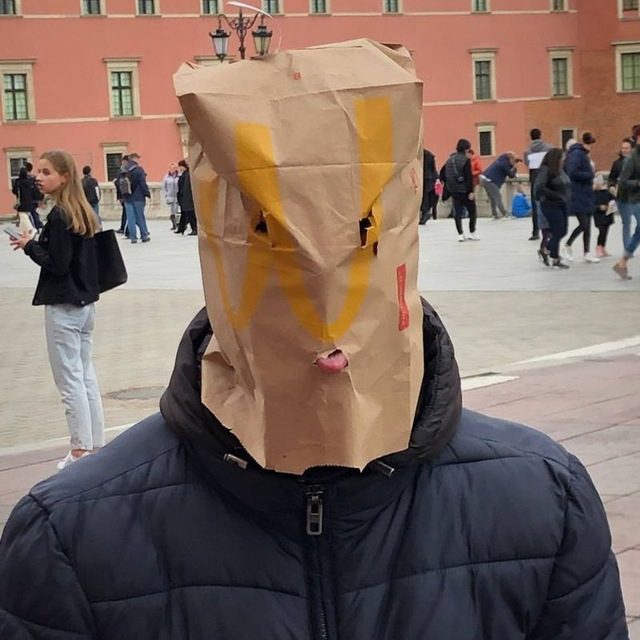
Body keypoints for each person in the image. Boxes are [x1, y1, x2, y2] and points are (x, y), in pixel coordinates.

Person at [0, 42, 628, 640]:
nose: (328, 333)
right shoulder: (68, 538)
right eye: (270, 237)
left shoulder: (546, 503)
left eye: (362, 239)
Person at [6, 149, 105, 470]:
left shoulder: (60, 216)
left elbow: (57, 264)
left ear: (64, 176)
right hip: (85, 304)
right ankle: (95, 445)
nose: (38, 177)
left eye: (46, 172)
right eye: (38, 171)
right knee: (85, 376)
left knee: (70, 381)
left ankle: (79, 450)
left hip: (64, 306)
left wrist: (30, 246)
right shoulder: (82, 212)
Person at [562, 132, 599, 263]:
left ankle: (587, 252)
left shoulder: (581, 154)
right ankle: (567, 245)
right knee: (584, 223)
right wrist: (590, 174)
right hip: (578, 193)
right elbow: (572, 172)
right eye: (590, 144)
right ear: (585, 143)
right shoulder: (577, 154)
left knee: (587, 224)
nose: (591, 147)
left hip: (585, 193)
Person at [535, 147, 571, 269]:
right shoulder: (545, 170)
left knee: (563, 230)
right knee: (558, 230)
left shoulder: (560, 170)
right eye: (562, 157)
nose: (564, 159)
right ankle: (554, 256)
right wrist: (556, 196)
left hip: (562, 204)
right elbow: (539, 188)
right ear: (556, 159)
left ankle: (547, 250)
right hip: (550, 204)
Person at [613, 123, 640, 280]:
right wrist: (637, 183)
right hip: (636, 199)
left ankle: (622, 262)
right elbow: (622, 181)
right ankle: (622, 262)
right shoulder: (631, 158)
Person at [443, 138, 478, 241]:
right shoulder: (465, 160)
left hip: (453, 190)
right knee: (472, 211)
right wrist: (471, 191)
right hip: (464, 190)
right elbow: (468, 176)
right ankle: (472, 232)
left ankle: (460, 234)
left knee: (457, 213)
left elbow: (443, 174)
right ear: (466, 149)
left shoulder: (449, 160)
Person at [524, 128, 552, 240]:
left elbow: (527, 164)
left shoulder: (527, 152)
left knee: (535, 206)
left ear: (531, 137)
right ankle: (549, 230)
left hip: (534, 179)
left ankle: (535, 232)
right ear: (540, 135)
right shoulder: (548, 148)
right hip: (546, 178)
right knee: (548, 204)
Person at [609, 137, 635, 249]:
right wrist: (611, 186)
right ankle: (627, 247)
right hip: (623, 197)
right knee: (626, 223)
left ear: (632, 149)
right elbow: (612, 177)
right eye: (623, 148)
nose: (624, 150)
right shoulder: (617, 163)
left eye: (627, 148)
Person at [120, 151, 151, 244]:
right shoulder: (139, 169)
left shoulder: (123, 169)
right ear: (135, 158)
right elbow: (142, 183)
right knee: (140, 216)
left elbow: (119, 183)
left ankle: (133, 237)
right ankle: (144, 235)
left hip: (127, 196)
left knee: (130, 218)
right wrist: (147, 194)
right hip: (138, 197)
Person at [479, 151, 520, 220]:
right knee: (497, 197)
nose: (514, 162)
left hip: (484, 179)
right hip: (490, 180)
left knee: (493, 198)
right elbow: (511, 175)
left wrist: (512, 166)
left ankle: (494, 214)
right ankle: (505, 214)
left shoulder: (502, 160)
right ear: (511, 159)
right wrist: (515, 168)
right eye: (514, 161)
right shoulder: (504, 163)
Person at [592, 174, 615, 258]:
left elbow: (613, 200)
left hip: (607, 214)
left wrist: (611, 205)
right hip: (599, 216)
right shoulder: (593, 194)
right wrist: (599, 207)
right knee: (601, 232)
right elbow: (591, 205)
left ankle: (603, 246)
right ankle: (598, 247)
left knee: (605, 232)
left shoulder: (606, 192)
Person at [11, 166, 37, 233]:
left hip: (21, 203)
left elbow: (14, 191)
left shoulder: (18, 182)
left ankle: (31, 230)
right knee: (26, 217)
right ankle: (23, 231)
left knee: (23, 217)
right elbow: (34, 192)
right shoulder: (30, 182)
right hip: (29, 202)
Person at [175, 159, 197, 235]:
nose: (180, 168)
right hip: (184, 198)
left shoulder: (188, 174)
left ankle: (194, 229)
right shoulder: (185, 174)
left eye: (181, 166)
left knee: (190, 215)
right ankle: (181, 228)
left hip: (187, 198)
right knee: (184, 214)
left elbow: (186, 187)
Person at [419, 149, 438, 224]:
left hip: (421, 176)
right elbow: (433, 168)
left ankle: (424, 213)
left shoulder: (416, 153)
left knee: (421, 196)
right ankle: (425, 212)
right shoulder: (429, 154)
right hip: (429, 177)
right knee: (426, 196)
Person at [114, 155, 130, 237]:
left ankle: (124, 228)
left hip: (124, 195)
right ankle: (124, 228)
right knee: (125, 213)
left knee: (126, 213)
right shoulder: (123, 171)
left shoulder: (123, 170)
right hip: (123, 195)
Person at [162, 162, 181, 230]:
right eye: (171, 168)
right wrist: (166, 195)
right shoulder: (166, 177)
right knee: (171, 211)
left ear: (176, 168)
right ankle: (174, 224)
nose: (172, 169)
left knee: (177, 211)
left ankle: (178, 224)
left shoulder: (179, 176)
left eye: (173, 168)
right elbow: (164, 186)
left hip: (178, 196)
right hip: (170, 196)